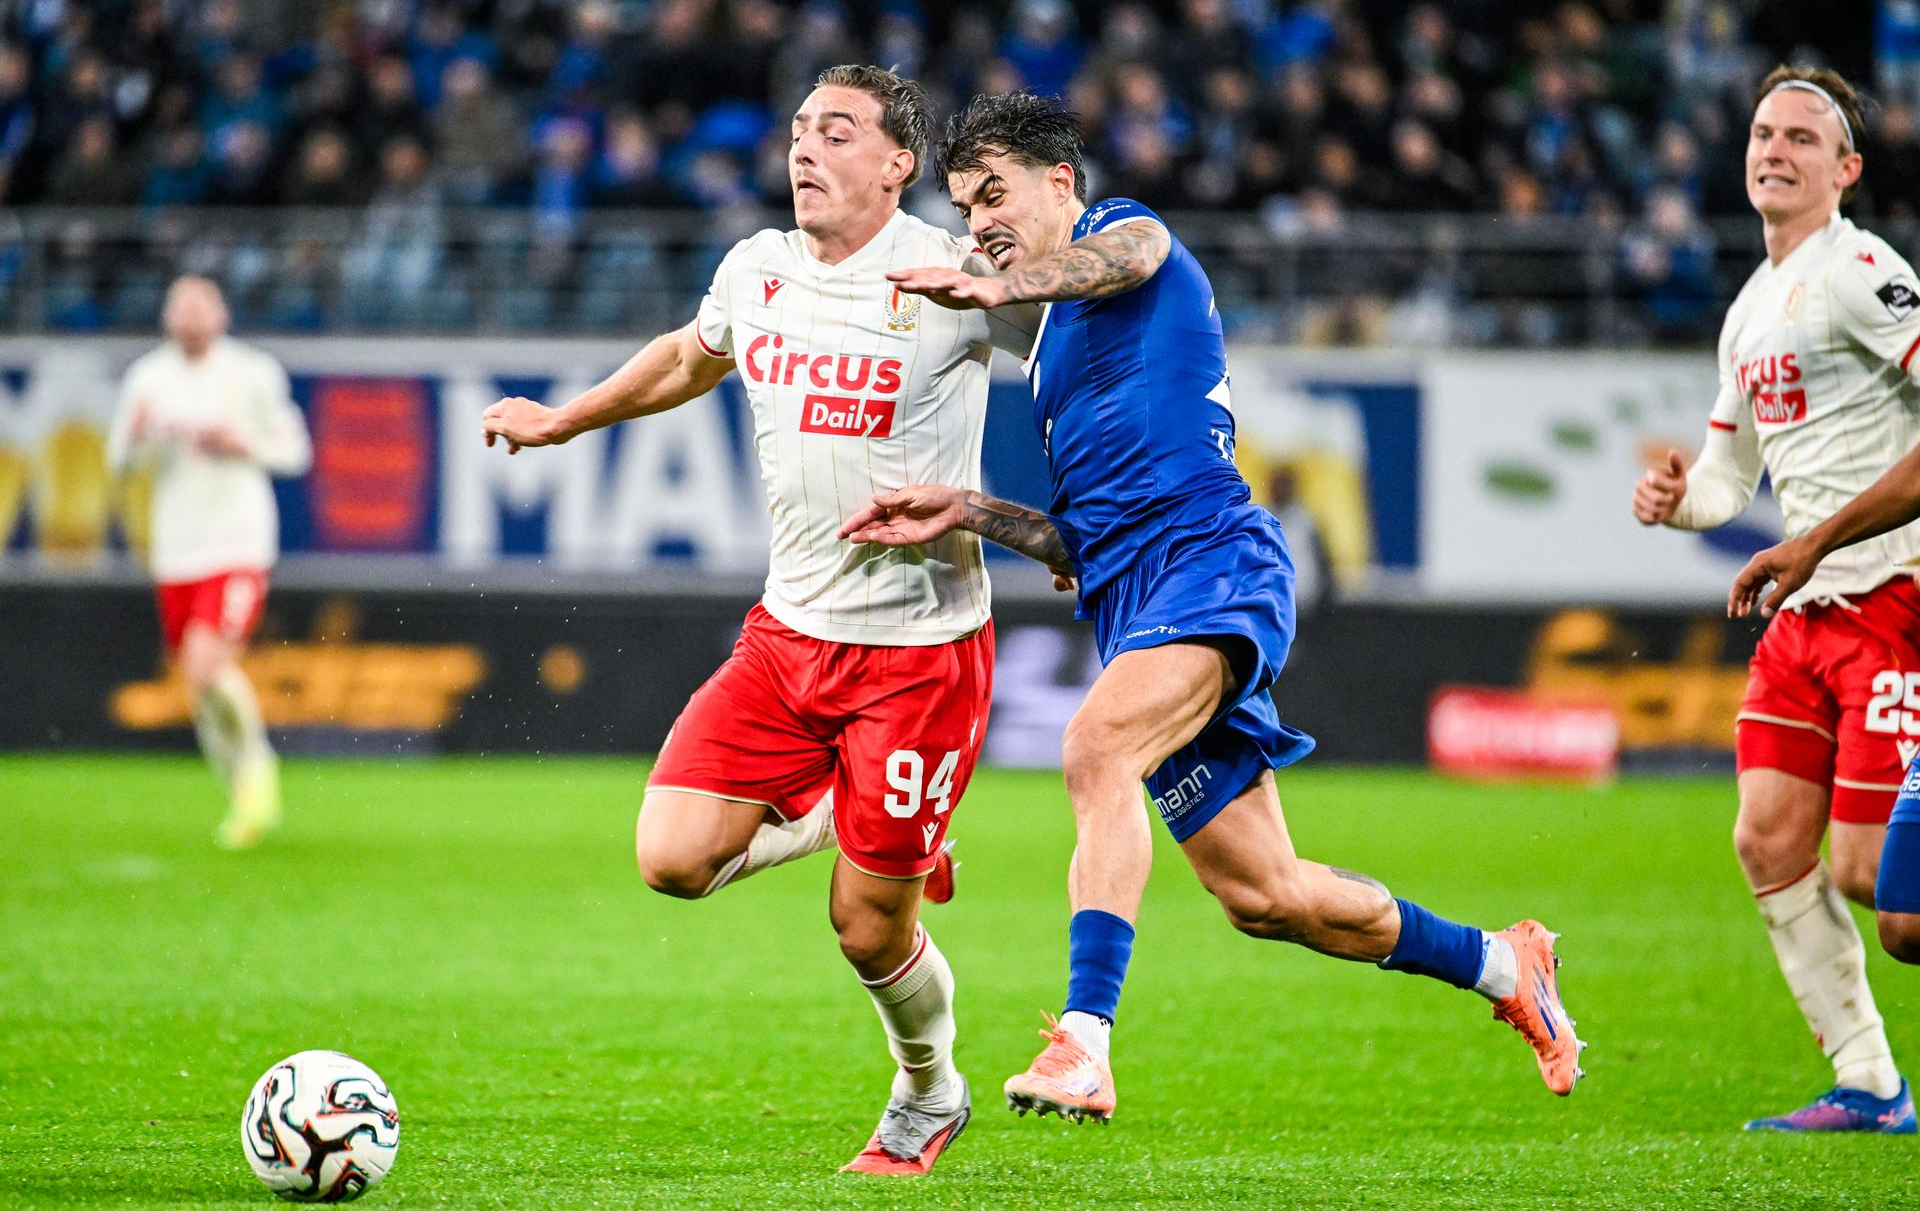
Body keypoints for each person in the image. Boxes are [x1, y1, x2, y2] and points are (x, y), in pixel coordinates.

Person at [843, 91, 1581, 1125]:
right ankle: (1507, 965)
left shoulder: (1128, 236)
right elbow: (1082, 541)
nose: (979, 222)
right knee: (1265, 894)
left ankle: (1084, 1042)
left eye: (993, 194)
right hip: (1135, 589)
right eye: (965, 207)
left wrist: (986, 286)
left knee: (1096, 747)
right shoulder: (1054, 351)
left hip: (1214, 562)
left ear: (1060, 184)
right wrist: (970, 509)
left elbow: (1125, 261)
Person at [479, 65, 1036, 1175]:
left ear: (896, 164)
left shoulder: (950, 274)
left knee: (866, 926)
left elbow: (1080, 361)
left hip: (922, 653)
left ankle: (928, 1093)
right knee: (671, 858)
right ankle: (847, 812)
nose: (804, 149)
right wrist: (566, 421)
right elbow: (694, 353)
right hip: (786, 636)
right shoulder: (758, 268)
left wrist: (1068, 523)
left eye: (836, 131)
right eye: (797, 130)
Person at [1633, 65, 1918, 1134]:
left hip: (1893, 599)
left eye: (1802, 137)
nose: (1774, 149)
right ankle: (1872, 1082)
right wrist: (1676, 501)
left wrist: (1814, 540)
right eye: (1762, 132)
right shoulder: (1751, 310)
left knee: (1884, 894)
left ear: (1844, 169)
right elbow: (1726, 479)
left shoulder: (1862, 272)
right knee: (1767, 838)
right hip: (1807, 614)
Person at [106, 277, 311, 850]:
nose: (193, 319)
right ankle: (242, 794)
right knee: (198, 688)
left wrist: (245, 443)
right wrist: (139, 436)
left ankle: (256, 777)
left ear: (221, 315)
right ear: (168, 317)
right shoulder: (148, 378)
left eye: (203, 308)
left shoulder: (253, 372)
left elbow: (295, 450)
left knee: (205, 663)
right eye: (182, 309)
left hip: (237, 540)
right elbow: (119, 460)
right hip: (176, 546)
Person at [1731, 435, 1920, 979]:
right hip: (1832, 611)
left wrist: (1817, 543)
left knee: (1881, 879)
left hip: (1884, 613)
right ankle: (1867, 1066)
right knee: (1900, 913)